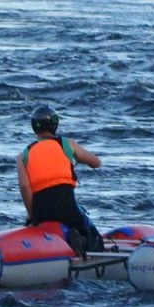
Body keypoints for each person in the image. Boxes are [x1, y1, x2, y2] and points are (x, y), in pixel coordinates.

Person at [16, 104, 104, 256]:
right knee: (90, 230)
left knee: (40, 225)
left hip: (41, 211)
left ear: (34, 127)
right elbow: (96, 162)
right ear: (55, 125)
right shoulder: (66, 144)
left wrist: (32, 215)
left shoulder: (23, 155)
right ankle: (84, 244)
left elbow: (24, 187)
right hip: (67, 207)